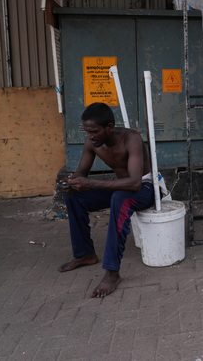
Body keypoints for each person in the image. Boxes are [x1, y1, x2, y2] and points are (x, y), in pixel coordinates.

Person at [58, 102, 154, 298]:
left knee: (120, 199)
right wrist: (73, 182)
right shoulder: (92, 143)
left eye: (94, 131)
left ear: (109, 127)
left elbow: (135, 183)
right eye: (87, 132)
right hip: (121, 188)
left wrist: (91, 184)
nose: (90, 136)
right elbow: (82, 172)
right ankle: (85, 254)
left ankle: (112, 272)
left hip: (145, 189)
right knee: (74, 196)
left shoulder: (131, 139)